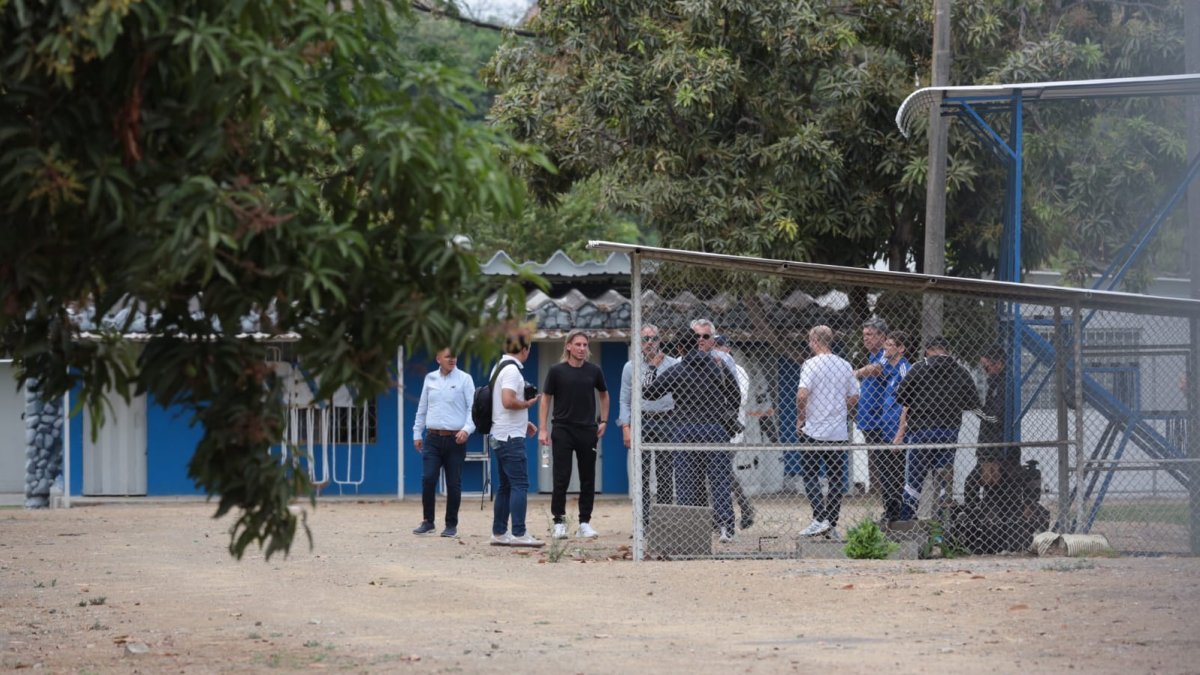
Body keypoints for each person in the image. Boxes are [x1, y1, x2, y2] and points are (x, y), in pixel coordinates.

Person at [643, 329, 742, 542]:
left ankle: (689, 530)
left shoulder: (676, 370)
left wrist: (652, 368)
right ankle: (725, 527)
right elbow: (735, 395)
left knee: (686, 481)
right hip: (715, 429)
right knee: (719, 480)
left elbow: (649, 393)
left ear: (679, 348)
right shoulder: (718, 366)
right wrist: (725, 415)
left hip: (685, 429)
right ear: (697, 344)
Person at [893, 336, 979, 522]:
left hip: (921, 430)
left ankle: (906, 520)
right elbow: (972, 402)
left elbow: (901, 397)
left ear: (928, 350)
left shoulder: (918, 369)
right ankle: (941, 526)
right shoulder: (960, 371)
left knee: (914, 479)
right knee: (943, 480)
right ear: (947, 350)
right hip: (949, 430)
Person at [539, 330, 610, 539]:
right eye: (577, 344)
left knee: (588, 478)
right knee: (561, 477)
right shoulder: (556, 371)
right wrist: (543, 428)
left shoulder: (594, 371)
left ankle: (584, 523)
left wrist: (604, 420)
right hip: (562, 429)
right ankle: (559, 522)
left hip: (587, 430)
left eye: (585, 345)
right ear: (568, 346)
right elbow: (545, 400)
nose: (581, 348)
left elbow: (604, 395)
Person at [795, 325, 860, 539]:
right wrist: (844, 412)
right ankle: (831, 523)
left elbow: (802, 395)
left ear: (814, 340)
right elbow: (854, 396)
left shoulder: (811, 365)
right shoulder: (844, 365)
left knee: (811, 474)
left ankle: (819, 518)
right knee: (835, 479)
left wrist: (802, 418)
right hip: (837, 431)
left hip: (813, 429)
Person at [618, 323, 681, 529]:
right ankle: (643, 523)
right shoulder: (631, 366)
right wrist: (625, 427)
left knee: (664, 473)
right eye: (645, 339)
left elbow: (679, 397)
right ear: (639, 342)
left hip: (666, 419)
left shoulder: (672, 364)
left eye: (653, 338)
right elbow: (624, 400)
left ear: (660, 341)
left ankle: (662, 523)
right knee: (641, 474)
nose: (650, 343)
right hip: (642, 420)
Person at [411, 348, 476, 538]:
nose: (452, 359)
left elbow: (473, 409)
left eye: (455, 356)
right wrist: (417, 432)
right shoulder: (430, 379)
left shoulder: (465, 379)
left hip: (456, 438)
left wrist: (467, 429)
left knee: (453, 483)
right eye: (448, 356)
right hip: (432, 438)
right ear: (438, 358)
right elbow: (423, 407)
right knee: (428, 479)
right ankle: (428, 521)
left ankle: (451, 525)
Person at [489, 329, 544, 547]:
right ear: (525, 350)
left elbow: (501, 405)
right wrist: (528, 404)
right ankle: (520, 533)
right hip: (510, 437)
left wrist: (524, 421)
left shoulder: (498, 368)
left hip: (500, 433)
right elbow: (508, 401)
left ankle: (500, 532)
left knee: (505, 486)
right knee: (520, 483)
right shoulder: (512, 371)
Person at [963, 344, 1020, 507]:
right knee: (991, 493)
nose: (984, 371)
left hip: (996, 451)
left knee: (972, 485)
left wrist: (974, 407)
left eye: (986, 367)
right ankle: (981, 519)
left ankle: (974, 519)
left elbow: (995, 418)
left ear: (998, 364)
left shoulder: (1004, 385)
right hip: (990, 448)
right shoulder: (995, 384)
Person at [714, 334, 755, 530]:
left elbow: (740, 398)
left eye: (720, 347)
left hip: (731, 430)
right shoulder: (709, 369)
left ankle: (736, 512)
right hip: (713, 429)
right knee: (721, 471)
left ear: (727, 349)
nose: (717, 350)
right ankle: (744, 509)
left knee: (722, 471)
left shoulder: (738, 371)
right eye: (715, 346)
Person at [875, 330, 911, 523]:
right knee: (886, 474)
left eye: (889, 345)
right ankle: (889, 511)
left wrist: (900, 432)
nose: (885, 348)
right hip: (885, 430)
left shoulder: (904, 369)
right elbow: (878, 365)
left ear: (901, 348)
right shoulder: (889, 370)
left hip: (897, 433)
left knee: (896, 475)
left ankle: (898, 513)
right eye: (885, 344)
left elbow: (908, 402)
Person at [854, 317, 889, 495]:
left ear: (882, 337)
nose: (866, 338)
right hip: (868, 420)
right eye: (864, 335)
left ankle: (884, 494)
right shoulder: (872, 355)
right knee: (874, 460)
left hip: (880, 420)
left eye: (870, 334)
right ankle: (877, 493)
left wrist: (856, 373)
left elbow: (877, 369)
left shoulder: (886, 353)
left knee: (884, 463)